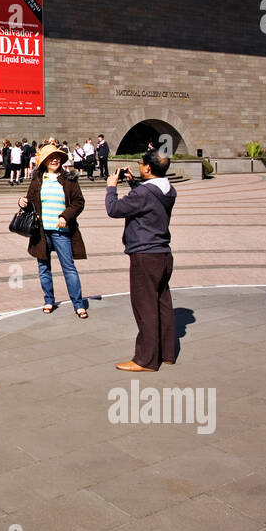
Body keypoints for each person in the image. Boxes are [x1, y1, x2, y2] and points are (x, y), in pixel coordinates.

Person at [106, 150, 178, 371]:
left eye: (140, 163)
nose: (138, 166)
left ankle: (145, 360)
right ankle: (167, 353)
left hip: (144, 255)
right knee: (162, 303)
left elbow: (114, 209)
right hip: (163, 253)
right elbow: (148, 202)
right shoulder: (169, 190)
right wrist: (134, 184)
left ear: (148, 168)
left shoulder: (144, 193)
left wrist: (111, 187)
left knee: (145, 306)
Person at [18, 144, 88, 318]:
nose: (55, 159)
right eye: (51, 157)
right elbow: (31, 202)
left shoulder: (69, 179)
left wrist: (65, 216)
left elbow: (79, 202)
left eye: (57, 157)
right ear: (44, 161)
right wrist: (23, 202)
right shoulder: (38, 180)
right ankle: (49, 300)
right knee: (43, 268)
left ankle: (78, 304)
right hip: (41, 232)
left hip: (61, 231)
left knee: (69, 268)